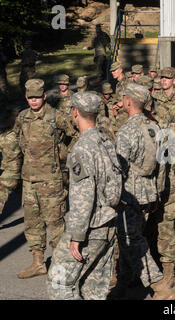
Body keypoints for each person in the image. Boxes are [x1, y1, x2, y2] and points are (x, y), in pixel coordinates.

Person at [46, 92, 122, 300]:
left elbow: (83, 195)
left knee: (58, 281)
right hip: (108, 224)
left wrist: (76, 236)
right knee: (94, 289)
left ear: (75, 112)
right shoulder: (105, 141)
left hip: (90, 228)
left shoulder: (82, 148)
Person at [113, 82, 175, 300]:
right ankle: (123, 282)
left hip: (130, 194)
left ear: (128, 101)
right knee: (127, 238)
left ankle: (160, 287)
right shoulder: (155, 127)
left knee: (132, 239)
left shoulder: (126, 130)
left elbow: (118, 169)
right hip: (149, 192)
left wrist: (113, 195)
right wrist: (158, 191)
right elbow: (163, 164)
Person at [13, 79, 77, 279]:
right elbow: (15, 141)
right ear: (26, 98)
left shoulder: (55, 116)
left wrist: (64, 154)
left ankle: (62, 266)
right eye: (30, 98)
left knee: (56, 225)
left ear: (44, 96)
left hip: (51, 180)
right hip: (29, 180)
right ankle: (38, 263)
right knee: (33, 224)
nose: (33, 101)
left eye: (36, 97)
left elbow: (75, 134)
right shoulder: (22, 118)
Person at [152, 67, 175, 285]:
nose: (164, 81)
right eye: (162, 78)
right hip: (157, 162)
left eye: (168, 78)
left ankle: (172, 268)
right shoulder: (153, 99)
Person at [0, 107, 22, 213]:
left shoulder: (21, 133)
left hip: (15, 169)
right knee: (26, 196)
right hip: (12, 169)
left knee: (1, 190)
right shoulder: (5, 133)